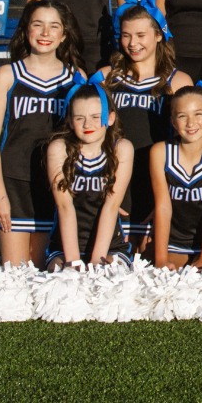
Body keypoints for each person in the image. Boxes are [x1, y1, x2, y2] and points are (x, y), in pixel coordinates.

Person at [0, 0, 85, 274]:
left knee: (40, 270)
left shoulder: (75, 78)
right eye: (37, 25)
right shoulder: (8, 75)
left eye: (54, 26)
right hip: (14, 180)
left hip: (55, 182)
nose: (45, 33)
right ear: (26, 30)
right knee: (14, 276)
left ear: (64, 35)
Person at [100, 0, 190, 254]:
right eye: (126, 35)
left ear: (159, 35)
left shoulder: (178, 81)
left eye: (141, 35)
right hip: (114, 181)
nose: (133, 43)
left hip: (158, 183)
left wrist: (170, 196)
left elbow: (187, 146)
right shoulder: (106, 78)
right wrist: (99, 190)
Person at [45, 77, 133, 270]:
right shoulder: (59, 149)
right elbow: (64, 206)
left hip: (110, 246)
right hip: (64, 247)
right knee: (62, 284)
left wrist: (97, 261)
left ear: (110, 118)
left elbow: (111, 206)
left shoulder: (122, 149)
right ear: (69, 121)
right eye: (79, 118)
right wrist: (73, 262)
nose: (87, 125)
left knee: (109, 280)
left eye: (95, 117)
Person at [149, 86, 202, 269]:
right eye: (182, 116)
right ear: (173, 121)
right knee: (167, 281)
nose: (191, 123)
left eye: (198, 114)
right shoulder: (160, 152)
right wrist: (161, 259)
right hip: (174, 239)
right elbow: (163, 207)